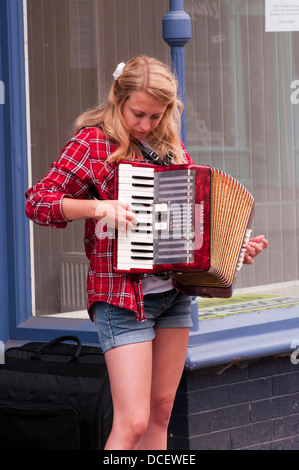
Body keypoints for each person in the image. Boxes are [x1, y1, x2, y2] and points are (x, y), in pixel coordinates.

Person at [25, 55, 268, 450]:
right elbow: (37, 201)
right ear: (118, 99)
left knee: (160, 414)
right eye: (139, 114)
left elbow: (192, 223)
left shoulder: (169, 144)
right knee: (133, 422)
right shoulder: (93, 142)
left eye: (156, 116)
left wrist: (236, 248)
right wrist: (95, 206)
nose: (146, 125)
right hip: (123, 298)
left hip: (173, 296)